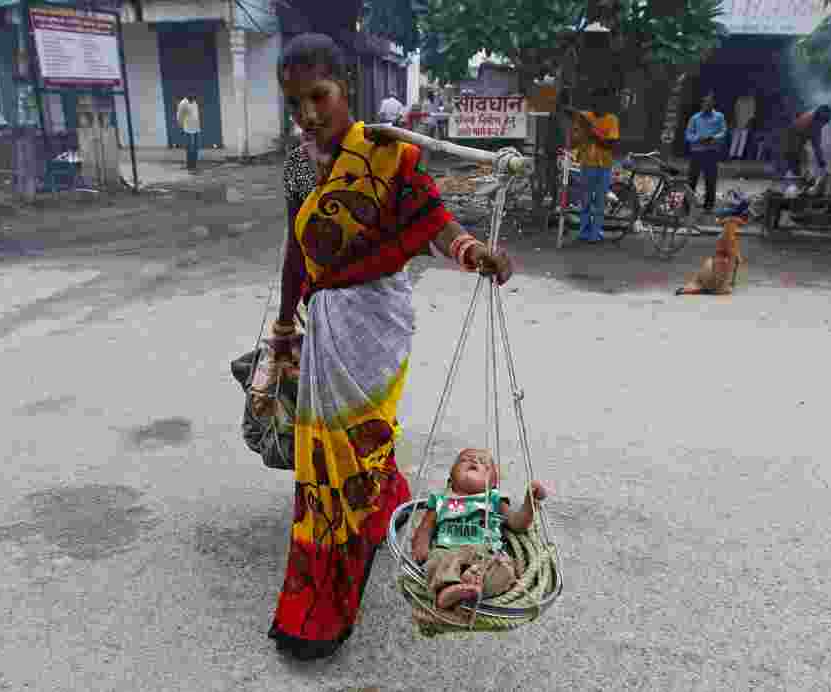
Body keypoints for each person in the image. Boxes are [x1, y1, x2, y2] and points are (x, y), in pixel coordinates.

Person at [264, 32, 514, 661]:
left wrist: (473, 252)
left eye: (318, 96)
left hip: (375, 322)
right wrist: (286, 323)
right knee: (328, 462)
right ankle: (361, 540)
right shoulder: (298, 163)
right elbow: (297, 246)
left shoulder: (390, 156)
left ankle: (322, 607)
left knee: (351, 453)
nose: (309, 114)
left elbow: (432, 221)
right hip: (322, 321)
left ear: (348, 87)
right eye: (296, 103)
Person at [410, 449, 551, 611]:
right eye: (465, 460)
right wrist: (421, 542)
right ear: (451, 475)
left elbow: (517, 524)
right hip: (449, 551)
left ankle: (469, 585)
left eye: (484, 464)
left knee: (505, 570)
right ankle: (447, 590)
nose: (475, 461)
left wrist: (529, 503)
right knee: (436, 562)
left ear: (493, 482)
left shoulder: (494, 499)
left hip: (485, 555)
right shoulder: (441, 499)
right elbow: (426, 526)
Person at [569, 87, 620, 243]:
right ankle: (584, 232)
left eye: (604, 102)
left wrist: (591, 130)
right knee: (585, 200)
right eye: (597, 102)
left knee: (599, 201)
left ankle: (595, 233)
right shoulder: (584, 117)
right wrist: (580, 129)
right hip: (586, 163)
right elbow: (573, 141)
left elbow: (609, 144)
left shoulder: (612, 119)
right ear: (593, 103)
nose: (600, 105)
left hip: (604, 165)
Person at [685, 93, 728, 212]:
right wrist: (698, 138)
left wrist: (713, 138)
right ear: (702, 104)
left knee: (710, 179)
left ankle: (709, 205)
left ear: (713, 104)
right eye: (704, 103)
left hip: (711, 152)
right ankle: (687, 205)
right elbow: (688, 134)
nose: (706, 105)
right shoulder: (695, 118)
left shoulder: (719, 116)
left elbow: (723, 131)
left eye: (709, 103)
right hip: (697, 152)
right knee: (691, 180)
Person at [777, 104, 831, 179]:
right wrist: (822, 165)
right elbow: (816, 147)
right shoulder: (814, 124)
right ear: (821, 119)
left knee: (796, 160)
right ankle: (789, 178)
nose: (824, 124)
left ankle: (790, 176)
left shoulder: (812, 117)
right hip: (792, 139)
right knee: (793, 161)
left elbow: (815, 146)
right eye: (825, 121)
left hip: (793, 137)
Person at [177, 94, 201, 170]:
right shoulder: (183, 103)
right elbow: (179, 116)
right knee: (190, 148)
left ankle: (194, 164)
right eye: (192, 97)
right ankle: (190, 165)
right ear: (188, 96)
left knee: (195, 147)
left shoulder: (194, 102)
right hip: (188, 129)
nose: (194, 98)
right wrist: (181, 127)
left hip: (196, 128)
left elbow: (196, 114)